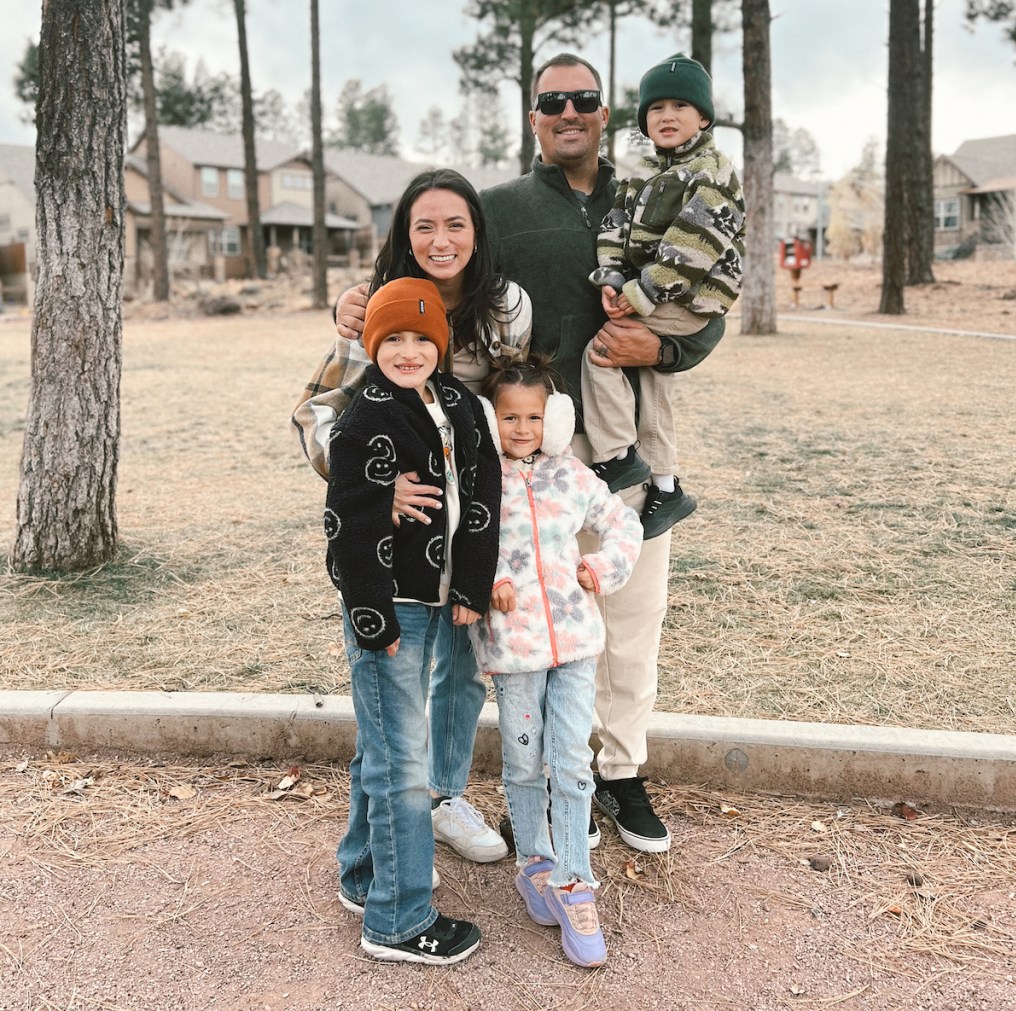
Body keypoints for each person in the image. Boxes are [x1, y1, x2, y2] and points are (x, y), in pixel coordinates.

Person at [478, 53, 727, 853]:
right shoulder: (499, 209)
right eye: (552, 100)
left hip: (635, 443)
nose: (569, 111)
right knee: (552, 622)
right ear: (534, 116)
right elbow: (453, 298)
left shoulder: (654, 189)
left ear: (605, 111)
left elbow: (709, 298)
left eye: (584, 98)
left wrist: (664, 348)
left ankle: (621, 771)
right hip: (542, 449)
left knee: (633, 614)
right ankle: (560, 777)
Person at [294, 169, 531, 865]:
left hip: (474, 523)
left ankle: (444, 795)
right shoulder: (376, 305)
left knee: (464, 666)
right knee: (392, 682)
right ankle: (374, 838)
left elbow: (515, 400)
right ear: (402, 235)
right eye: (423, 225)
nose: (440, 239)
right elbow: (317, 412)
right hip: (398, 536)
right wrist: (371, 484)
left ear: (478, 233)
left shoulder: (505, 306)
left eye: (456, 223)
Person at [325, 277, 501, 964]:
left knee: (382, 746)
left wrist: (475, 585)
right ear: (372, 344)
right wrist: (371, 617)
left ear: (439, 343)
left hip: (441, 596)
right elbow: (348, 522)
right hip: (388, 606)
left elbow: (483, 495)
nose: (406, 351)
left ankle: (364, 874)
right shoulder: (364, 414)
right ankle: (398, 918)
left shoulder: (459, 402)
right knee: (402, 758)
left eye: (419, 338)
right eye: (391, 338)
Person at [470, 357, 641, 968]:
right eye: (509, 416)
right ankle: (534, 861)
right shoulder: (477, 479)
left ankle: (575, 881)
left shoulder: (573, 476)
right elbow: (460, 540)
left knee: (570, 760)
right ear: (491, 419)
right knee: (522, 758)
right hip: (513, 650)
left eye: (534, 416)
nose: (522, 427)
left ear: (556, 418)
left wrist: (600, 569)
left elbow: (623, 524)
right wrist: (486, 580)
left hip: (574, 644)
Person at [583, 53, 745, 539]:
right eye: (656, 109)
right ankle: (666, 485)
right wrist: (611, 278)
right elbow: (614, 225)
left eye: (680, 106)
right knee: (654, 382)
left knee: (603, 353)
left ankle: (617, 456)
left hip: (690, 297)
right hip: (651, 292)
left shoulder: (711, 171)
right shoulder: (642, 172)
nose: (667, 117)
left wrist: (640, 294)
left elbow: (690, 248)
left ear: (704, 118)